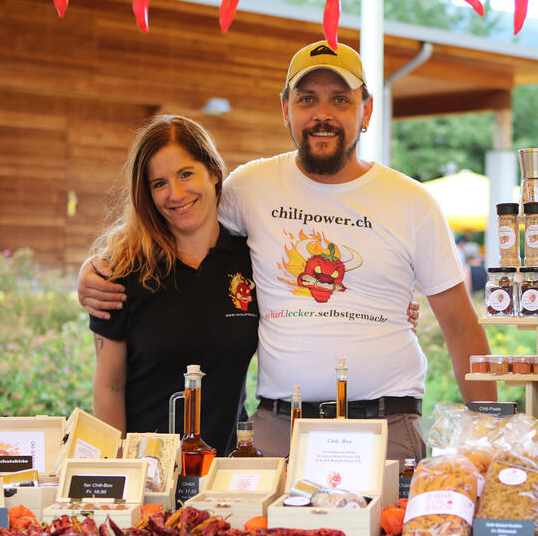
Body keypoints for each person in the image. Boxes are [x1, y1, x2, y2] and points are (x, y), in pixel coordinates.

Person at [81, 41, 496, 460]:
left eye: (340, 100)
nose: (322, 114)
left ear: (365, 110)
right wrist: (99, 267)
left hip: (386, 426)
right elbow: (179, 217)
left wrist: (489, 435)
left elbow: (462, 327)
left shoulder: (412, 201)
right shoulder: (249, 187)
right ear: (286, 110)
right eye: (307, 99)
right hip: (280, 430)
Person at [87, 115, 258, 456]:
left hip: (225, 475)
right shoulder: (120, 272)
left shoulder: (250, 259)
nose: (176, 194)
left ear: (213, 172)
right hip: (148, 474)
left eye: (185, 174)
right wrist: (121, 472)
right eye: (159, 183)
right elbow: (109, 386)